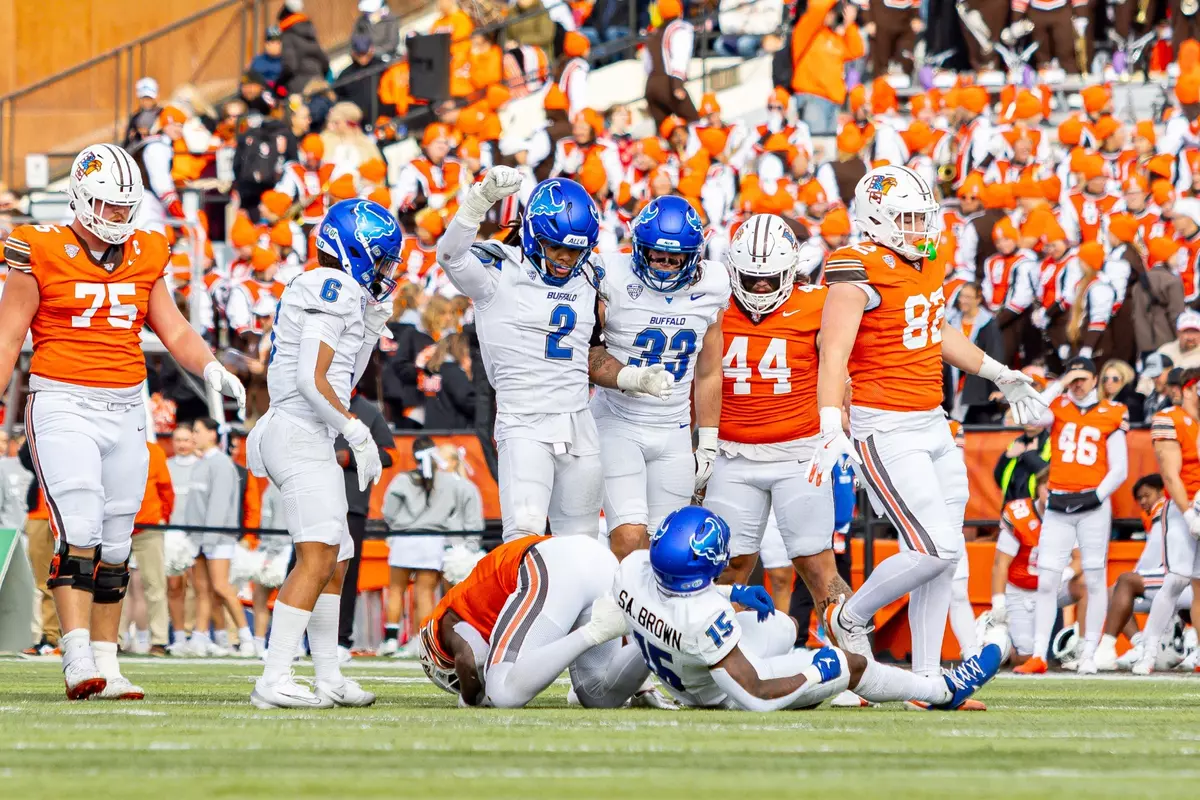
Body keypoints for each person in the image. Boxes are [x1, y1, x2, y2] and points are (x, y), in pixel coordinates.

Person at [0, 144, 245, 699]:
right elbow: (9, 337)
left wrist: (210, 367)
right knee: (80, 524)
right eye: (107, 204)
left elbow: (173, 328)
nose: (117, 215)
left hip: (128, 403)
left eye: (124, 206)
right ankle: (75, 657)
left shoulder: (147, 248)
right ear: (81, 199)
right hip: (63, 400)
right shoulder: (39, 246)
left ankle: (108, 665)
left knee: (116, 541)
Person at [810, 165, 1045, 683]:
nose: (922, 228)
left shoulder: (927, 262)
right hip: (886, 425)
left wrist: (999, 372)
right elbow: (833, 352)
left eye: (924, 217)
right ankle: (848, 616)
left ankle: (925, 677)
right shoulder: (856, 264)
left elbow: (937, 330)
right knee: (934, 547)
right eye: (910, 219)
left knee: (945, 553)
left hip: (933, 419)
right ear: (877, 218)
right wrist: (830, 425)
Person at [435, 168, 669, 541]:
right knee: (523, 534)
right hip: (523, 421)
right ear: (532, 234)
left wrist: (635, 377)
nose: (565, 257)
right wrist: (478, 201)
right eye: (555, 246)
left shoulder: (589, 275)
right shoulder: (500, 269)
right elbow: (450, 255)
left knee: (582, 543)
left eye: (575, 249)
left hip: (579, 422)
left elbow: (591, 353)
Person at [613, 505, 1003, 711]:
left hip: (681, 666)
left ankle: (806, 675)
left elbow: (676, 598)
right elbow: (756, 695)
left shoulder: (633, 569)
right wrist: (817, 671)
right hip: (717, 691)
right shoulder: (703, 619)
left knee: (782, 627)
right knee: (849, 664)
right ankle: (941, 690)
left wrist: (732, 593)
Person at [244, 198, 399, 708]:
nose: (385, 271)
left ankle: (328, 674)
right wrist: (357, 432)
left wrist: (369, 329)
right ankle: (275, 676)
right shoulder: (331, 286)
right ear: (356, 251)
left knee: (338, 557)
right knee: (316, 556)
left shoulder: (341, 291)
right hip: (297, 430)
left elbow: (342, 377)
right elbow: (313, 381)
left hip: (310, 432)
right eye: (381, 259)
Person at [703, 214, 851, 628]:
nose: (761, 287)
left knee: (819, 568)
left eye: (770, 278)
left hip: (799, 454)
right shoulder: (712, 302)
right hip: (731, 455)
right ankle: (717, 658)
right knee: (727, 568)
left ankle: (855, 657)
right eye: (751, 279)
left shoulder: (818, 304)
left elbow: (842, 368)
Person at [590, 195, 729, 560]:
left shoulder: (713, 284)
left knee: (670, 549)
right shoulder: (611, 275)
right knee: (629, 537)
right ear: (640, 248)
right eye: (657, 255)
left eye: (674, 257)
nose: (665, 264)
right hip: (618, 421)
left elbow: (709, 370)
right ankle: (619, 599)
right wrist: (633, 378)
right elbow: (590, 355)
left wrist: (708, 440)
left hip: (674, 429)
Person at [417, 534, 646, 708]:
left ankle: (595, 630)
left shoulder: (445, 623)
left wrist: (469, 699)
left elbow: (468, 659)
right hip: (596, 559)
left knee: (501, 692)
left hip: (553, 563)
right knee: (598, 694)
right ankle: (654, 638)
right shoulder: (467, 603)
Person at [1013, 356, 1129, 675]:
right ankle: (1039, 654)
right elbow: (1030, 415)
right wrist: (1059, 384)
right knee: (1047, 578)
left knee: (1094, 577)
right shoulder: (1059, 405)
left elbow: (1120, 468)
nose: (1077, 384)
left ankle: (1089, 653)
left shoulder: (1114, 411)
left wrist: (1096, 495)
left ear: (1095, 379)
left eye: (1082, 378)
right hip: (1059, 503)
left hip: (1092, 505)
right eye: (1073, 379)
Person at [1132, 368, 1200, 674]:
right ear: (1187, 390)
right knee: (1176, 580)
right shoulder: (1170, 418)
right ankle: (1148, 651)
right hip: (1186, 507)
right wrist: (1188, 514)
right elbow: (1170, 475)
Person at [985, 470, 1085, 666]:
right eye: (1048, 488)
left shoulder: (1069, 515)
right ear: (1038, 487)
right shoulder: (1020, 515)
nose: (1052, 494)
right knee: (1026, 658)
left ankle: (1082, 645)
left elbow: (1080, 559)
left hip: (1051, 587)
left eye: (1058, 490)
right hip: (1021, 591)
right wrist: (998, 603)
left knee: (1086, 583)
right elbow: (1000, 564)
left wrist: (1063, 575)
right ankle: (1001, 640)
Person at [1093, 475, 1186, 670]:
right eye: (1139, 498)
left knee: (1125, 583)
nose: (1143, 501)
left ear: (1162, 491)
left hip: (1183, 579)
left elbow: (1155, 555)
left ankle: (1107, 649)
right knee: (1114, 591)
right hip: (1176, 579)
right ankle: (1140, 644)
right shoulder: (1161, 514)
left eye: (1147, 495)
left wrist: (1135, 578)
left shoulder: (1166, 509)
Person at [382, 436, 462, 657]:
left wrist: (399, 524)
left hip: (405, 538)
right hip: (432, 541)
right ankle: (421, 641)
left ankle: (390, 640)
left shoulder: (402, 479)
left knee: (396, 589)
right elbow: (456, 509)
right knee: (425, 593)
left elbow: (388, 511)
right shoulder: (448, 481)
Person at [332, 390, 395, 658]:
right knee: (304, 566)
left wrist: (350, 458)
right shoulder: (314, 399)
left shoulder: (367, 410)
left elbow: (389, 454)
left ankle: (341, 639)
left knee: (346, 571)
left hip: (352, 503)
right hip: (313, 499)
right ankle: (297, 637)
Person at [184, 417, 253, 657]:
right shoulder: (200, 463)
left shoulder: (222, 464)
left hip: (218, 537)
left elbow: (219, 504)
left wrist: (209, 539)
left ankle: (246, 638)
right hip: (200, 538)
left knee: (222, 586)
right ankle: (201, 638)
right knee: (202, 589)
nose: (193, 436)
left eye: (197, 431)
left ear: (212, 434)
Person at [124, 440, 174, 657]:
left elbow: (165, 489)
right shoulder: (111, 447)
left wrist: (162, 517)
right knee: (112, 585)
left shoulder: (154, 451)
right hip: (117, 525)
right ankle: (112, 639)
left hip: (147, 525)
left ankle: (159, 640)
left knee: (154, 584)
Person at [165, 424, 199, 653]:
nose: (182, 445)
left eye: (186, 440)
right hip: (172, 534)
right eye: (178, 440)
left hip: (197, 534)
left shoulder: (202, 467)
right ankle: (178, 636)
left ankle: (196, 634)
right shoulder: (166, 466)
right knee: (174, 586)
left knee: (200, 587)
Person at [277, 0, 331, 96]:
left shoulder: (288, 36)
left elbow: (290, 66)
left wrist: (279, 83)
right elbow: (324, 61)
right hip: (318, 85)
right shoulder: (310, 34)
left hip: (299, 89)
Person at [993, 419, 1052, 505]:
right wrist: (1006, 457)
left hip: (1038, 507)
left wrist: (1030, 455)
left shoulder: (1052, 444)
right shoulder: (1017, 442)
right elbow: (998, 478)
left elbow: (1050, 478)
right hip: (1012, 505)